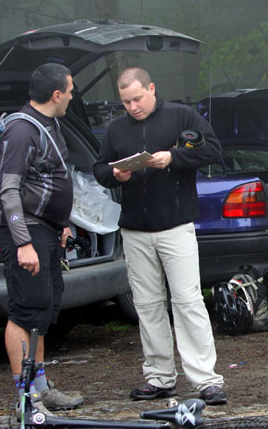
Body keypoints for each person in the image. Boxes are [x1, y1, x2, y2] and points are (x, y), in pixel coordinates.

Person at [93, 67, 227, 404]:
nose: (133, 107)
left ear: (151, 88)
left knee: (187, 301)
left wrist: (175, 157)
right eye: (126, 102)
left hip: (176, 226)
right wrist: (115, 174)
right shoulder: (117, 129)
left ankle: (206, 380)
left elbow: (212, 150)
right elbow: (98, 169)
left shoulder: (182, 115)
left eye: (137, 98)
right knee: (148, 305)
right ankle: (160, 377)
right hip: (135, 230)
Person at [0, 63, 83, 413]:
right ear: (56, 94)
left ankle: (42, 389)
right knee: (24, 313)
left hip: (45, 228)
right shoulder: (20, 130)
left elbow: (47, 178)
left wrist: (60, 222)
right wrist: (23, 243)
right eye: (71, 90)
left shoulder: (49, 124)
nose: (73, 96)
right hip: (25, 231)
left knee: (42, 311)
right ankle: (25, 400)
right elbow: (9, 190)